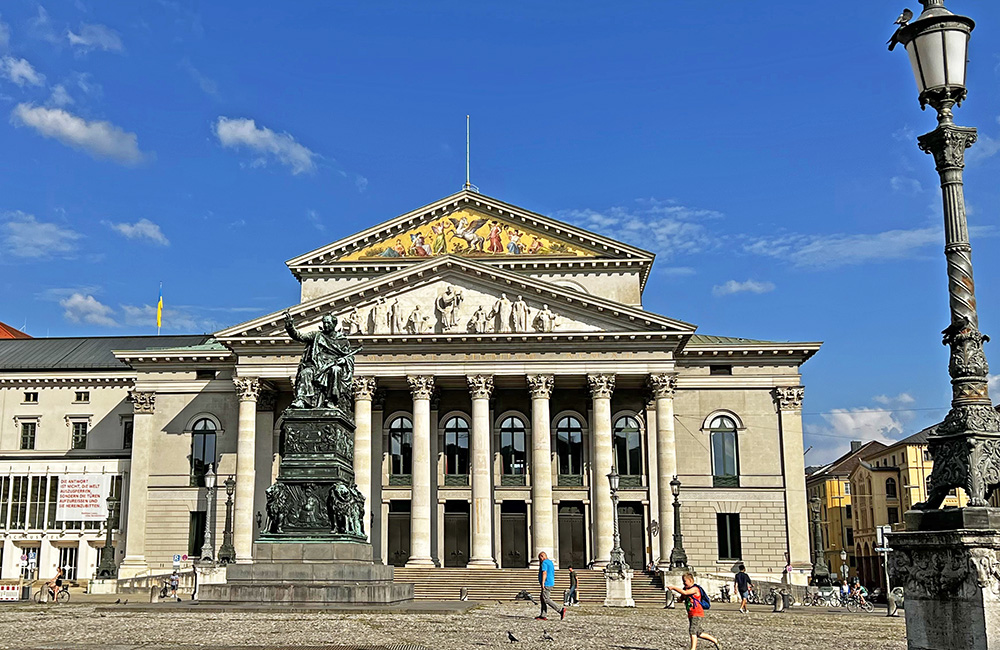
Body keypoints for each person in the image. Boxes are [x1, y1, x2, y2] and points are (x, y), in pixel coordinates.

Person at [668, 573, 721, 650]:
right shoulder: (686, 589)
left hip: (697, 613)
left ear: (690, 580)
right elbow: (682, 597)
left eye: (684, 581)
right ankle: (715, 641)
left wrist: (674, 588)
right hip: (691, 614)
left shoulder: (695, 589)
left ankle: (693, 649)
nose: (683, 583)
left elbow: (685, 593)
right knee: (699, 633)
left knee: (692, 631)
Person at [534, 552, 566, 621]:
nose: (540, 560)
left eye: (540, 558)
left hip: (547, 583)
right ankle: (543, 615)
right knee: (542, 598)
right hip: (550, 582)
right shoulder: (550, 562)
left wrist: (543, 582)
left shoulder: (544, 563)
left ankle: (560, 609)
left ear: (542, 556)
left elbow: (544, 572)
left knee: (546, 599)